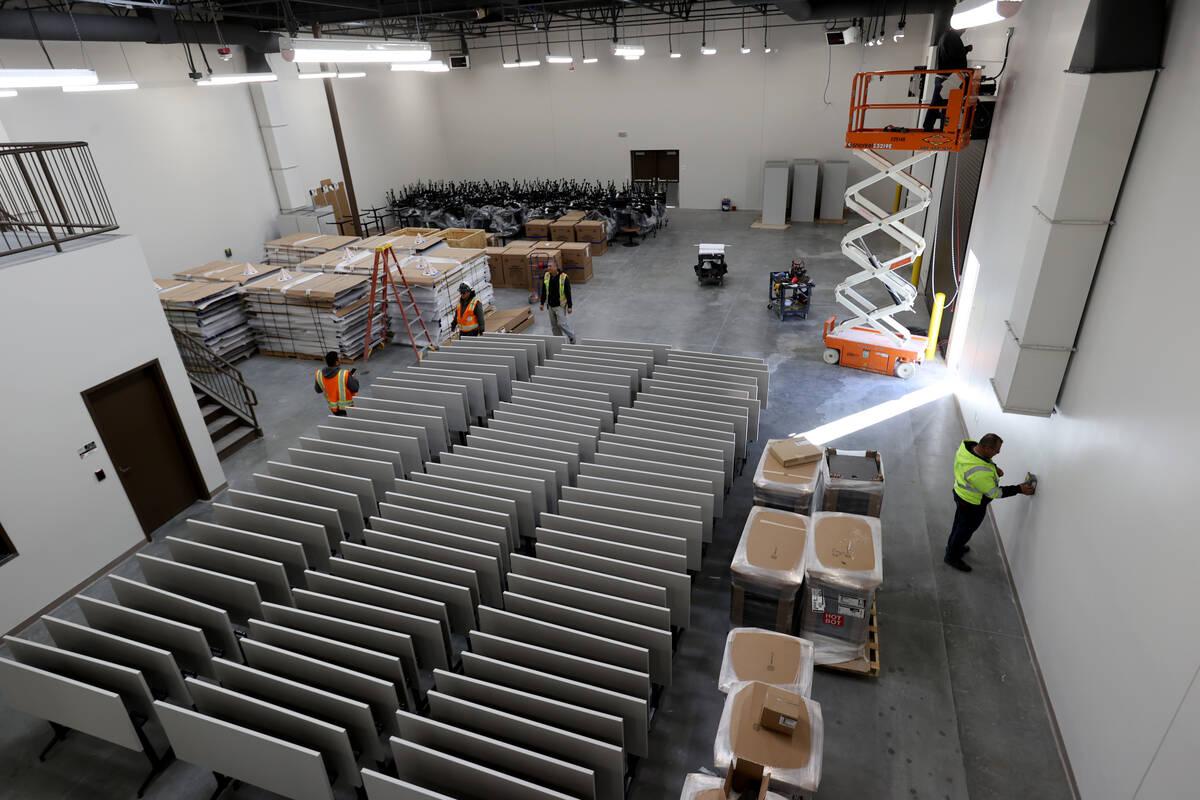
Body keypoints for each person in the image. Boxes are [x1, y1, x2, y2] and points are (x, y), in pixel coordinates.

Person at [944, 433, 1035, 572]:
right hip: (971, 504)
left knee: (959, 524)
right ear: (986, 447)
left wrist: (993, 467)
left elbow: (981, 462)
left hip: (961, 494)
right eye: (996, 451)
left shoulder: (968, 448)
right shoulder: (979, 472)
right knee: (965, 530)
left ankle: (953, 546)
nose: (997, 453)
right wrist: (1019, 489)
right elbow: (995, 493)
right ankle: (951, 556)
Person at [923, 26, 973, 132]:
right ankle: (944, 130)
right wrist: (966, 50)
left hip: (943, 77)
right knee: (946, 105)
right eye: (963, 30)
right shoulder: (952, 37)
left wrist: (964, 50)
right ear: (957, 28)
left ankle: (928, 127)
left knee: (936, 104)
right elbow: (955, 55)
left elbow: (952, 54)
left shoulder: (946, 36)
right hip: (948, 79)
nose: (964, 31)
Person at [538, 261, 576, 344]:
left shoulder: (563, 277)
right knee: (554, 326)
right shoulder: (547, 276)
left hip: (560, 305)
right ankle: (559, 342)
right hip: (550, 305)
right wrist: (542, 303)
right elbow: (544, 290)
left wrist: (570, 306)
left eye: (550, 266)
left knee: (561, 324)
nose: (548, 268)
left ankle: (572, 336)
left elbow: (568, 292)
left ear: (555, 267)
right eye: (548, 266)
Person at [314, 351, 359, 416]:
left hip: (334, 409)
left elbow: (318, 390)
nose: (340, 359)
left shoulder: (319, 374)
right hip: (348, 409)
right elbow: (355, 388)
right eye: (339, 358)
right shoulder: (344, 375)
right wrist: (352, 378)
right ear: (336, 362)